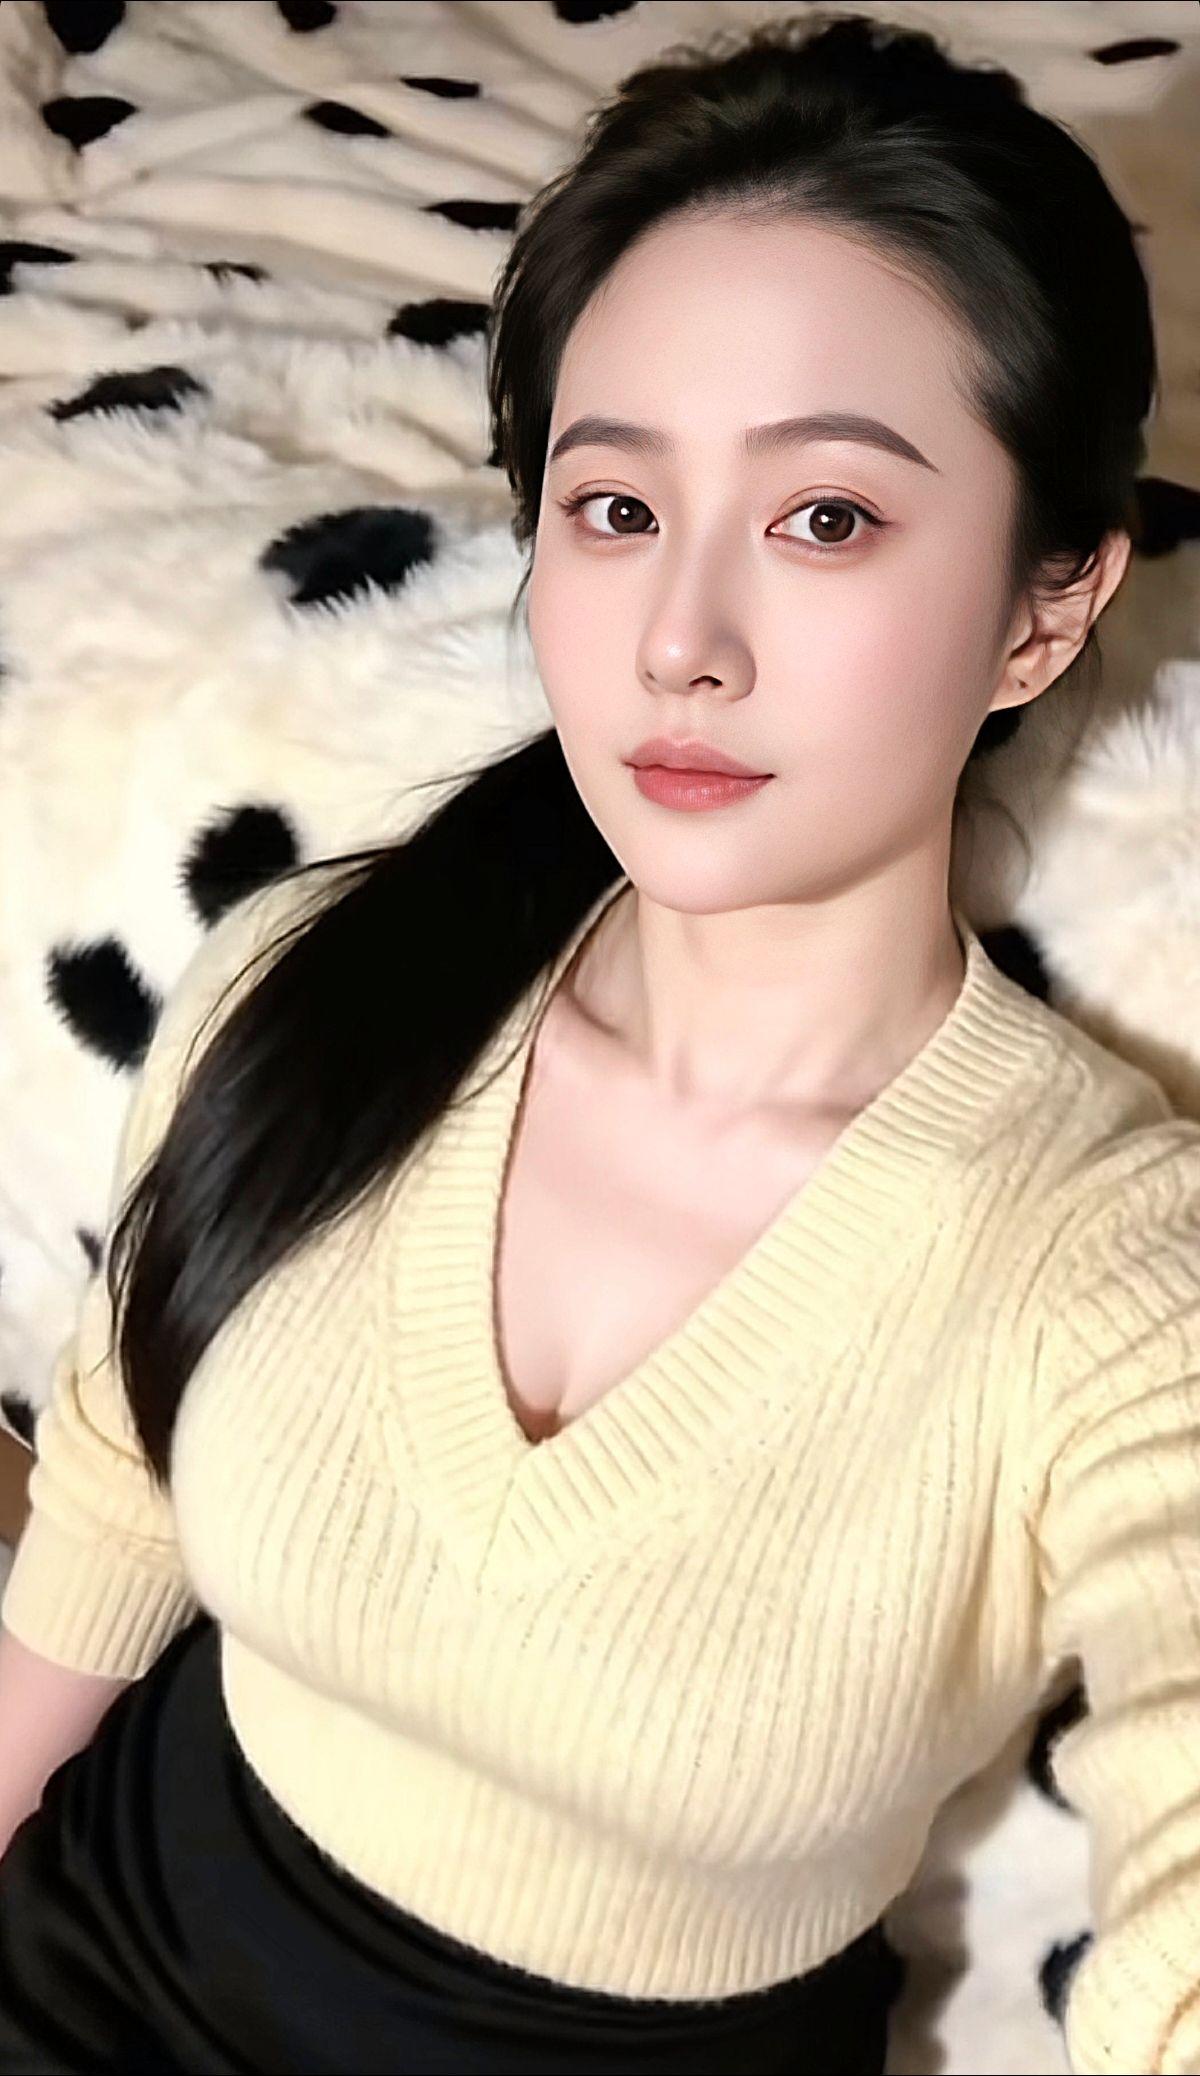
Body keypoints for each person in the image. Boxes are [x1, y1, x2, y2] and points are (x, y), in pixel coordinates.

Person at [1, 10, 1197, 2073]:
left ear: (1046, 608)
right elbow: (119, 1486)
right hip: (98, 1947)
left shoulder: (1111, 1276)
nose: (679, 643)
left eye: (828, 518)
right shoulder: (313, 977)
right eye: (617, 507)